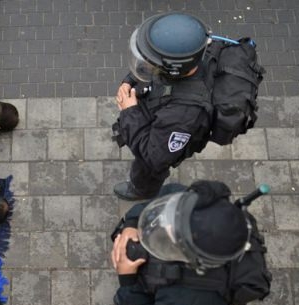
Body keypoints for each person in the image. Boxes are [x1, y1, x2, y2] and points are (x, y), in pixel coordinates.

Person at [91, 180, 271, 305]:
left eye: (175, 232)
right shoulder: (197, 203)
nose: (166, 224)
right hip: (157, 272)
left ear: (195, 258)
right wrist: (131, 224)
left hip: (167, 293)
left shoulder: (194, 304)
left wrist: (128, 283)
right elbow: (167, 193)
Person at [111, 12, 264, 201]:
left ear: (173, 69)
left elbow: (154, 157)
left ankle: (141, 190)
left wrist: (130, 112)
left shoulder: (184, 115)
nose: (146, 62)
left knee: (147, 170)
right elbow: (151, 64)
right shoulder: (191, 54)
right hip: (157, 111)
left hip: (159, 140)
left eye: (152, 60)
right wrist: (130, 81)